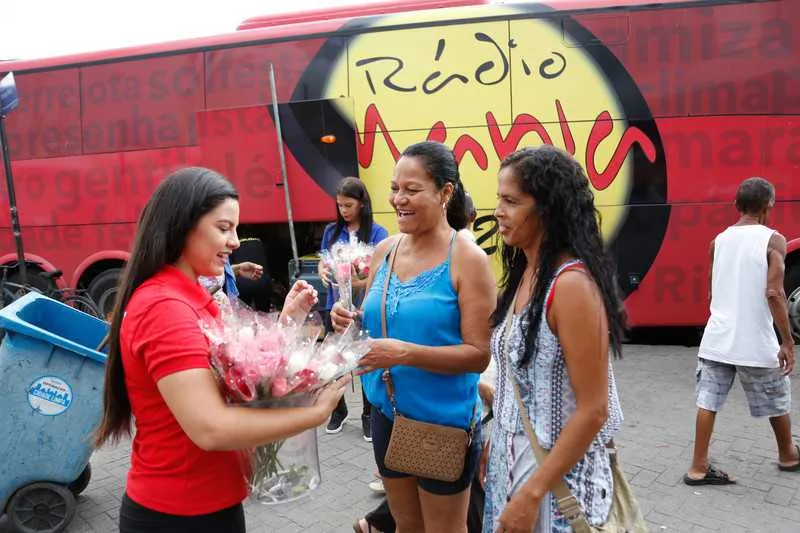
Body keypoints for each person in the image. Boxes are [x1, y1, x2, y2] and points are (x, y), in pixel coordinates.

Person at [92, 167, 349, 533]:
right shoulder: (164, 307)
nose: (234, 242)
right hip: (178, 514)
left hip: (210, 503)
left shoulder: (192, 295)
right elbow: (210, 428)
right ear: (183, 225)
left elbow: (237, 373)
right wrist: (315, 413)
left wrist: (288, 322)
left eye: (235, 230)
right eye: (224, 228)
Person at [332, 141, 497, 533]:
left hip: (442, 422)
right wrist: (348, 321)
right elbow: (372, 328)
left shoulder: (467, 258)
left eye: (411, 189)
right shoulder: (384, 251)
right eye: (394, 188)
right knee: (406, 526)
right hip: (388, 413)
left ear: (445, 193)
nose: (398, 199)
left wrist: (405, 353)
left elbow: (478, 355)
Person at [483, 145, 627, 533]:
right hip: (514, 465)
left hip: (556, 482)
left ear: (547, 209)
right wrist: (496, 438)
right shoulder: (525, 273)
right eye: (499, 198)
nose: (498, 210)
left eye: (511, 201)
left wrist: (533, 492)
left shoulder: (571, 286)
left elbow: (593, 410)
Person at [684, 177, 800, 486]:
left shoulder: (717, 241)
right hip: (754, 341)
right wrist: (787, 341)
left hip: (717, 339)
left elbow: (712, 291)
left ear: (736, 206)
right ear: (769, 206)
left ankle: (697, 467)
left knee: (708, 400)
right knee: (777, 398)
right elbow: (774, 293)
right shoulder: (773, 240)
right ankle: (788, 455)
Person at [318, 176, 389, 440]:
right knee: (333, 359)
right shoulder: (331, 232)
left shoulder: (378, 234)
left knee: (365, 359)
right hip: (335, 305)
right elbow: (322, 260)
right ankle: (338, 409)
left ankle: (369, 414)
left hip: (364, 307)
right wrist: (325, 270)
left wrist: (356, 279)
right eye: (339, 206)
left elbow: (380, 274)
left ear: (362, 203)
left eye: (348, 205)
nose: (343, 211)